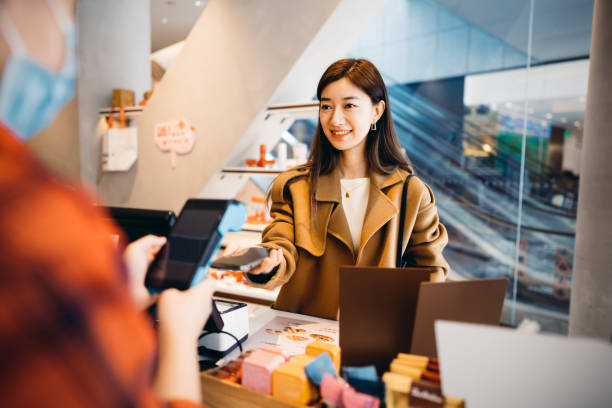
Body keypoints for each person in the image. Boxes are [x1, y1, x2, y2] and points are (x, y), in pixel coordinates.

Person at [0, 0, 214, 406]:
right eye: (68, 15)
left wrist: (117, 295)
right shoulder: (38, 223)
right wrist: (179, 334)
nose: (69, 52)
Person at [226, 58, 449, 320]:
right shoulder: (295, 186)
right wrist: (266, 261)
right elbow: (281, 245)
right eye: (326, 106)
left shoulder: (412, 193)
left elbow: (430, 271)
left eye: (349, 105)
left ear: (377, 111)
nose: (335, 119)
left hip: (373, 337)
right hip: (302, 334)